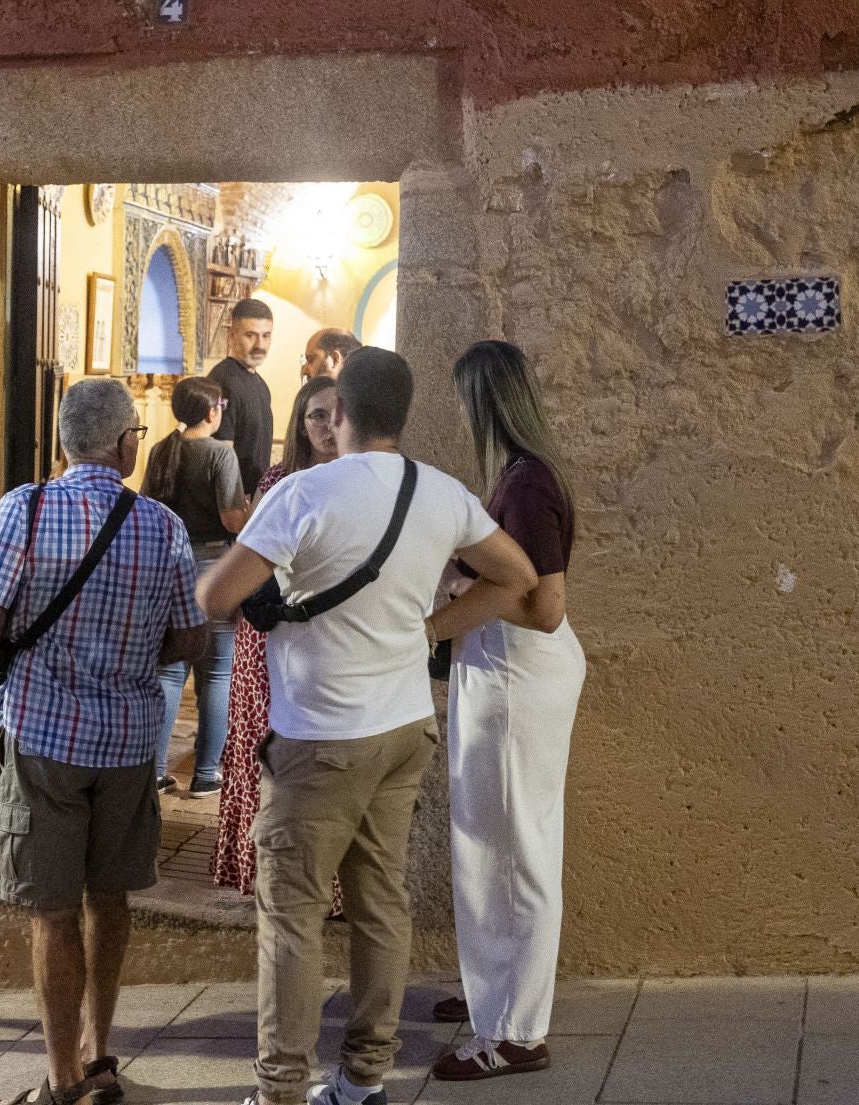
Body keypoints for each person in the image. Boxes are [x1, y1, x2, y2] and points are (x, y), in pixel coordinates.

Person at [194, 348, 539, 1105]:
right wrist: (431, 629)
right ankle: (363, 1082)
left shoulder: (304, 493)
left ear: (340, 413)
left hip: (320, 736)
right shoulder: (440, 492)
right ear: (404, 414)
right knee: (381, 904)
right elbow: (517, 577)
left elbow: (219, 598)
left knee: (292, 917)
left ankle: (282, 1089)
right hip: (403, 726)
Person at [0, 378, 208, 1105]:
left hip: (44, 736)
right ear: (127, 442)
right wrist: (130, 650)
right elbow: (192, 637)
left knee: (52, 907)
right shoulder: (159, 524)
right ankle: (103, 1055)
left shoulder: (25, 509)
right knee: (110, 898)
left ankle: (62, 1075)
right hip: (130, 741)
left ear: (68, 441)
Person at [427, 341, 586, 1080]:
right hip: (504, 673)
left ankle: (517, 1032)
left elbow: (546, 608)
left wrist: (439, 619)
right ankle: (495, 993)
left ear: (486, 402)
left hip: (520, 677)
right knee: (491, 838)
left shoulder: (525, 482)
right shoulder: (523, 475)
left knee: (515, 848)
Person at [212, 375, 337, 895]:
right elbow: (255, 568)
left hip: (328, 639)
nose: (328, 428)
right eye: (316, 417)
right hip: (270, 637)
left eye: (336, 415)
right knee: (265, 744)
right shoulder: (280, 481)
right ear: (300, 424)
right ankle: (259, 867)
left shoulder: (358, 482)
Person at [143, 376, 250, 795]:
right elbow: (231, 520)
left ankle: (154, 772)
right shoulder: (221, 456)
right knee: (217, 673)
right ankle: (206, 773)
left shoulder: (160, 451)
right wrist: (249, 512)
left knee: (169, 673)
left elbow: (149, 509)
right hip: (212, 564)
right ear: (212, 411)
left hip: (168, 566)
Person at [208, 298, 275, 496]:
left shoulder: (261, 384)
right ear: (231, 335)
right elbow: (221, 453)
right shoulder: (223, 381)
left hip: (253, 498)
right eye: (250, 335)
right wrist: (235, 504)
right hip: (232, 504)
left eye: (266, 336)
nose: (259, 345)